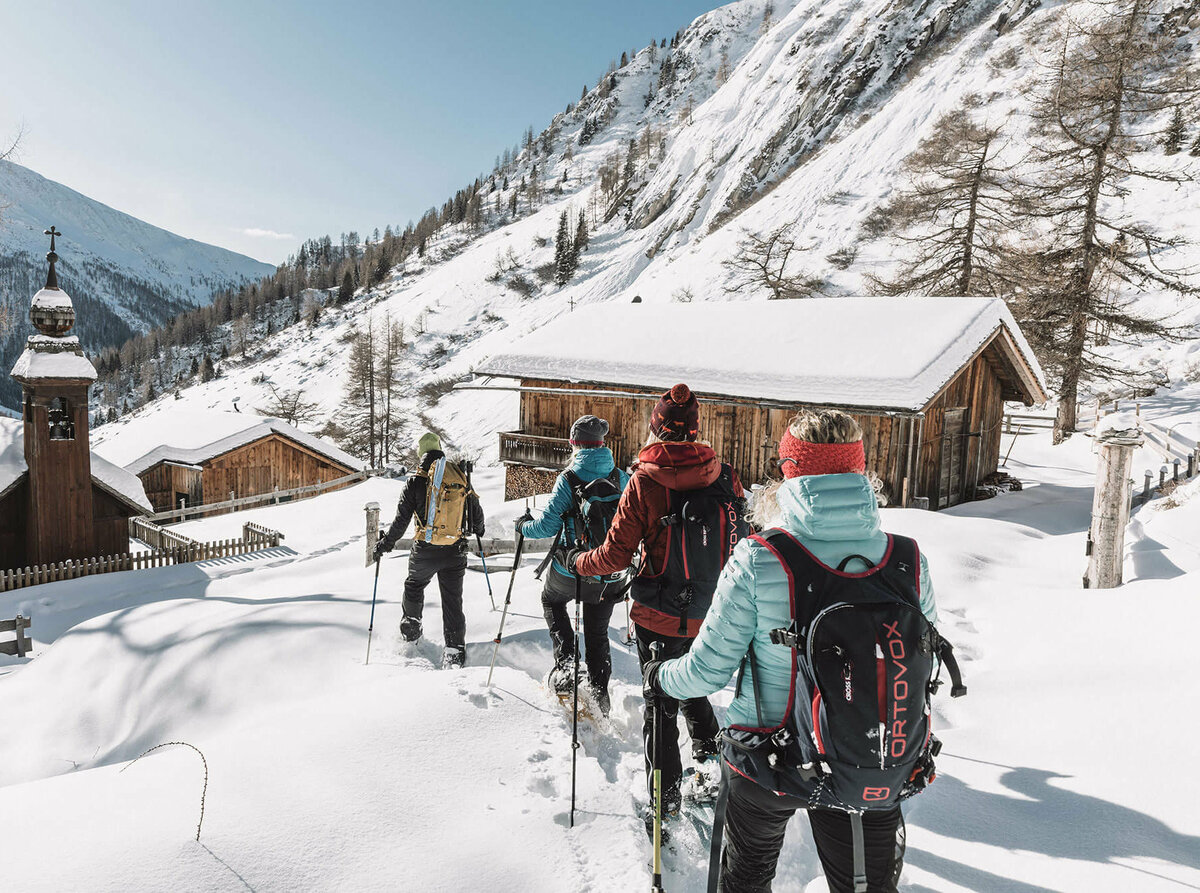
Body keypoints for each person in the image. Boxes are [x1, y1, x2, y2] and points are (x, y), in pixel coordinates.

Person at [643, 410, 940, 893]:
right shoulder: (906, 559)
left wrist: (661, 676)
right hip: (866, 755)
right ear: (860, 470)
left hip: (769, 758)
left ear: (790, 472)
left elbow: (706, 672)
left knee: (746, 881)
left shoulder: (761, 557)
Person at [567, 383, 746, 828]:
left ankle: (664, 804)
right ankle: (709, 756)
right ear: (695, 429)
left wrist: (577, 562)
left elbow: (614, 557)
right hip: (712, 614)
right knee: (693, 677)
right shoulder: (726, 477)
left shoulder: (644, 481)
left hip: (656, 615)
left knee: (660, 704)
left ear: (656, 429)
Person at [514, 415, 630, 716]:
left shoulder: (568, 478)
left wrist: (523, 526)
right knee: (597, 633)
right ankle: (600, 696)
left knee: (551, 600)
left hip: (573, 568)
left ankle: (566, 663)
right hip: (611, 574)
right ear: (602, 444)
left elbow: (545, 527)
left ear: (574, 444)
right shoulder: (621, 478)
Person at [375, 432, 486, 669]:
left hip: (424, 550)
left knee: (414, 586)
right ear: (440, 449)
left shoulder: (415, 481)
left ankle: (411, 634)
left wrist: (385, 545)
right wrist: (478, 529)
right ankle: (455, 651)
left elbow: (401, 522)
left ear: (421, 453)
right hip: (454, 551)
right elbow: (476, 514)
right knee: (453, 601)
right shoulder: (459, 475)